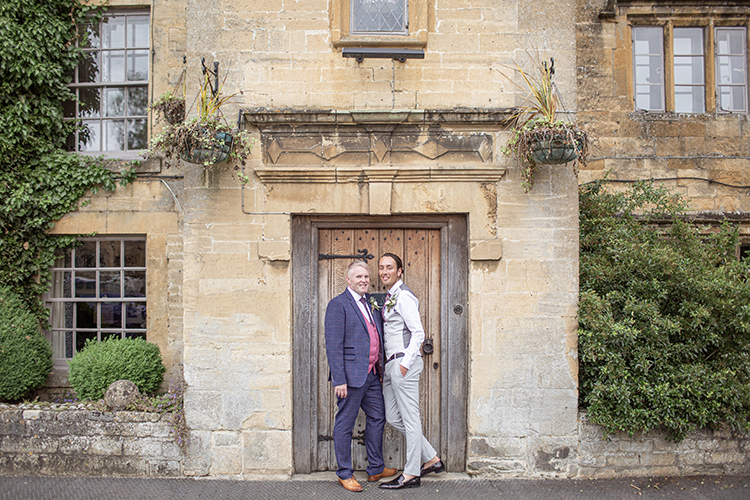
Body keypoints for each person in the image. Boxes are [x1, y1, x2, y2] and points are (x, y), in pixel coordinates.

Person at [324, 260, 397, 492]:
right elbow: (333, 345)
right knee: (345, 423)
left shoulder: (370, 303)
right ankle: (344, 473)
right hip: (351, 377)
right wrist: (339, 379)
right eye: (359, 277)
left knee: (378, 416)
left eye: (366, 277)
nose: (364, 280)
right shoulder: (338, 305)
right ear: (348, 280)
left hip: (372, 374)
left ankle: (376, 468)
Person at [377, 253, 445, 490]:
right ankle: (433, 459)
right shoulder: (391, 296)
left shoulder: (404, 296)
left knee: (410, 418)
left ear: (400, 271)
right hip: (391, 365)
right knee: (394, 417)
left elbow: (418, 332)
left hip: (402, 364)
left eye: (390, 267)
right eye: (382, 268)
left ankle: (411, 474)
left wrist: (405, 363)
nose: (385, 271)